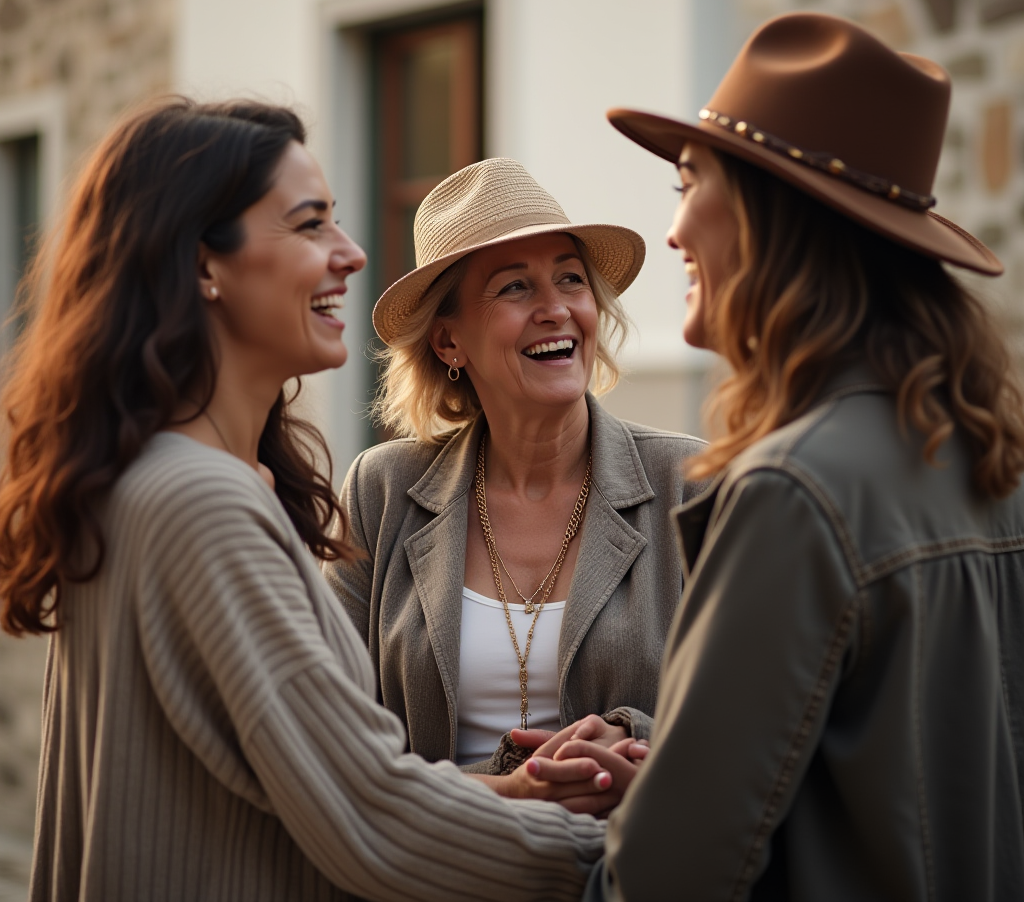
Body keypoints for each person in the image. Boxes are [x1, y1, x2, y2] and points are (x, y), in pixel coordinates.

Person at [0, 98, 620, 902]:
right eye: (310, 224)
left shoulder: (166, 476)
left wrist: (526, 790)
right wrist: (620, 857)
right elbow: (370, 811)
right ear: (201, 265)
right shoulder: (203, 503)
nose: (352, 254)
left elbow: (325, 785)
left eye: (572, 278)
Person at [587, 11, 1024, 900]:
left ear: (767, 215)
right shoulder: (986, 459)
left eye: (687, 184)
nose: (671, 234)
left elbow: (670, 875)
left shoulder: (796, 489)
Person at [324, 156, 703, 804]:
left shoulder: (692, 486)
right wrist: (510, 793)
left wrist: (635, 743)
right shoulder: (380, 493)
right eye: (515, 288)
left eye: (571, 280)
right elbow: (333, 744)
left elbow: (752, 721)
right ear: (449, 342)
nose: (556, 309)